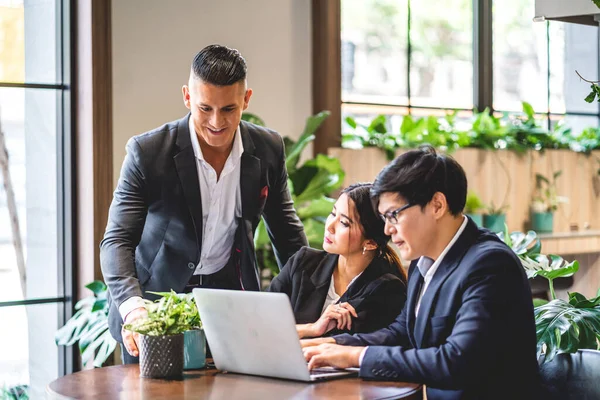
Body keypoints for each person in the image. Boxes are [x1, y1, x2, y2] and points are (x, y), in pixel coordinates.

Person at [100, 44, 307, 363]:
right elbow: (117, 241)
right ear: (187, 97)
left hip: (230, 304)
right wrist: (134, 308)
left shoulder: (268, 149)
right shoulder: (148, 152)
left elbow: (287, 234)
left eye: (229, 109)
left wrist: (313, 298)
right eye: (205, 108)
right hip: (154, 307)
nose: (216, 122)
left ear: (246, 100)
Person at [302, 146, 540, 400]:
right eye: (384, 218)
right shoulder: (422, 259)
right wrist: (335, 344)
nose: (387, 230)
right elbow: (402, 332)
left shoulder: (490, 265)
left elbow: (456, 360)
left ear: (437, 205)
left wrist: (357, 356)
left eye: (393, 215)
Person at [268, 183, 407, 338]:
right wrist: (312, 328)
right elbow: (259, 325)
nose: (330, 226)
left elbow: (351, 349)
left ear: (370, 243)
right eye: (333, 214)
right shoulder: (303, 262)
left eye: (344, 223)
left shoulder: (386, 290)